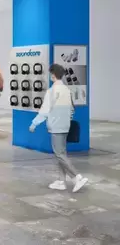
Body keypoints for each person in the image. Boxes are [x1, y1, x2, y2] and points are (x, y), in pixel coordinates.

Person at [29, 63, 88, 192]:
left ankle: (77, 177)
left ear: (53, 75)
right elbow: (72, 109)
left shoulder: (52, 91)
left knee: (59, 154)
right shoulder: (67, 90)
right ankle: (61, 181)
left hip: (56, 126)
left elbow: (44, 111)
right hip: (65, 126)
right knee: (61, 153)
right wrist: (66, 120)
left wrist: (34, 123)